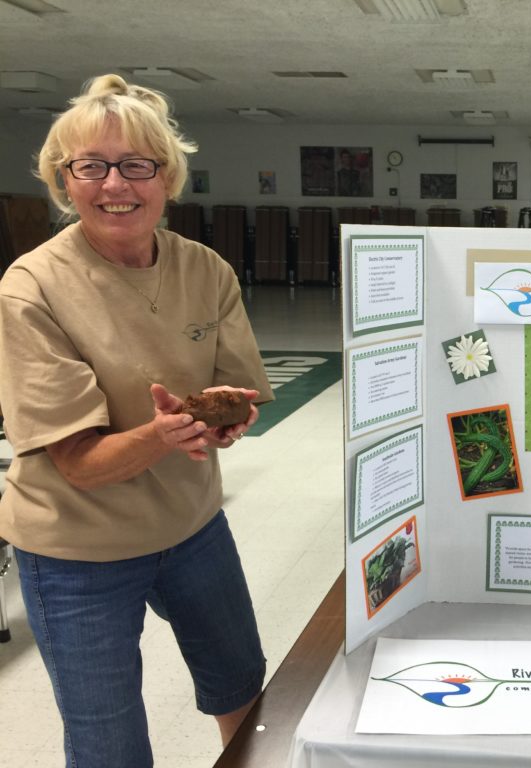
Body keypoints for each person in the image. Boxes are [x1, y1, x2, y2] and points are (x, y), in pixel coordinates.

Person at [0, 74, 273, 767]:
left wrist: (223, 420)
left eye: (135, 165)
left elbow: (237, 388)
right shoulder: (32, 287)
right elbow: (78, 466)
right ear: (64, 181)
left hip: (191, 527)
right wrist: (162, 434)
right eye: (89, 166)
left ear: (168, 176)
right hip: (76, 550)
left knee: (243, 688)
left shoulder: (205, 269)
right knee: (108, 743)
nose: (113, 184)